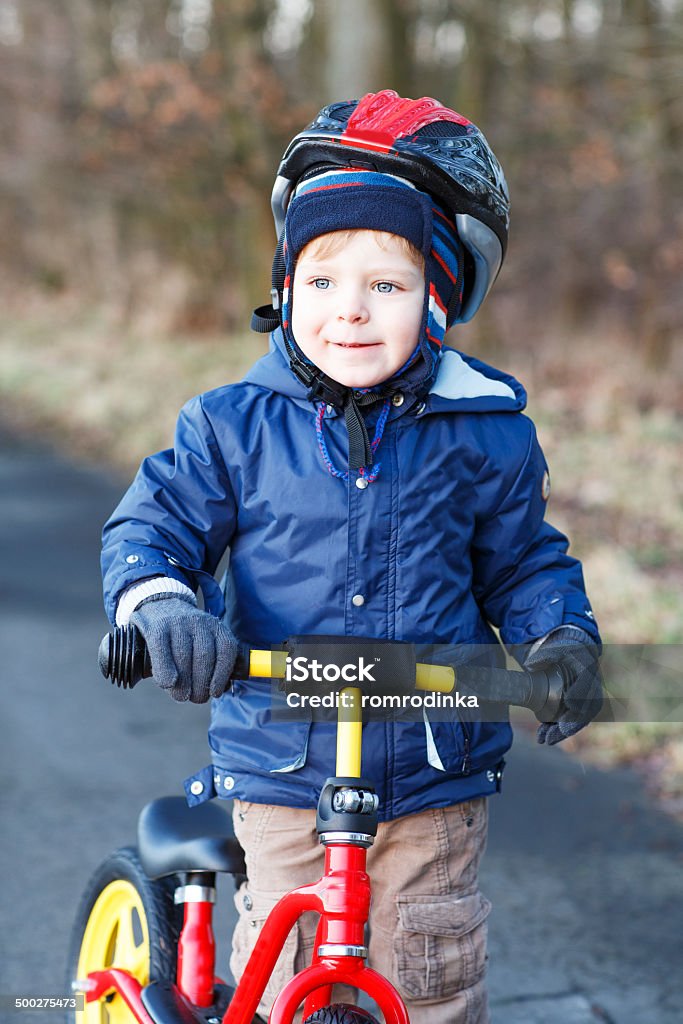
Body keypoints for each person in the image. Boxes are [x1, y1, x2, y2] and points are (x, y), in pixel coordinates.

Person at [101, 90, 603, 1024]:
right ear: (287, 292)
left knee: (430, 983)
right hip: (282, 768)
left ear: (438, 305)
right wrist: (161, 604)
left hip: (430, 775)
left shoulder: (486, 437)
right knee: (286, 975)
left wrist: (558, 637)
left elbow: (523, 564)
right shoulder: (230, 427)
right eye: (324, 283)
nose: (351, 312)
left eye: (389, 285)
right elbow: (153, 527)